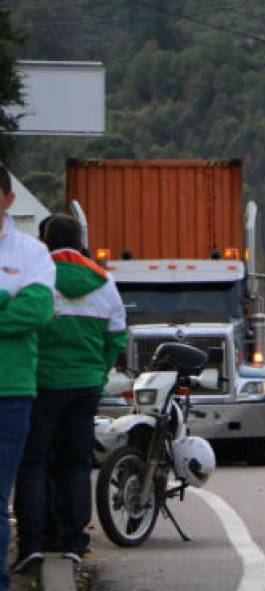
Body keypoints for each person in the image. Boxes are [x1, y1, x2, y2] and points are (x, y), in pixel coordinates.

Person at [14, 214, 127, 570]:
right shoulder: (104, 281)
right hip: (85, 386)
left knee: (35, 465)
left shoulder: (36, 276)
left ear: (45, 241)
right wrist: (98, 371)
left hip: (40, 385)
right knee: (76, 465)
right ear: (81, 242)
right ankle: (75, 542)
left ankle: (33, 543)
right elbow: (117, 336)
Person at [0, 165, 55, 588]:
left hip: (11, 392)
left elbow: (36, 311)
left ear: (8, 199)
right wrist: (6, 300)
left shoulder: (31, 253)